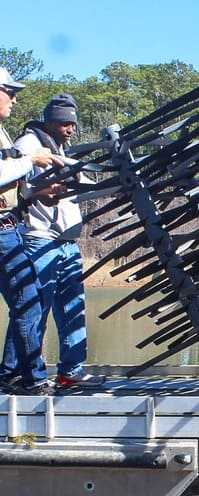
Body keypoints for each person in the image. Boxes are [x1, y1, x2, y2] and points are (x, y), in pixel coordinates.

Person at [13, 93, 104, 388]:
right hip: (40, 238)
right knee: (34, 309)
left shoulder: (64, 149)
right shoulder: (28, 144)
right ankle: (22, 373)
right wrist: (34, 192)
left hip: (66, 240)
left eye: (72, 123)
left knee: (72, 305)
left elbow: (87, 182)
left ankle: (71, 370)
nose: (70, 128)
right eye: (64, 123)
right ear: (49, 121)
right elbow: (13, 183)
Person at [0, 67, 63, 395]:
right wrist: (31, 160)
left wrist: (37, 192)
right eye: (8, 90)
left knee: (27, 300)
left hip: (8, 227)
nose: (14, 97)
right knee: (28, 302)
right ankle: (33, 380)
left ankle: (12, 374)